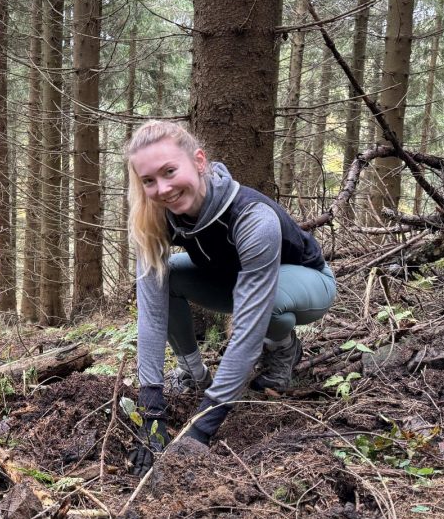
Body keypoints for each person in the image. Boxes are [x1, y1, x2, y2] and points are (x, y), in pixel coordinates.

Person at [125, 120, 336, 475]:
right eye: (149, 180)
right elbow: (151, 313)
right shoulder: (155, 217)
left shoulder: (252, 217)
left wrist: (202, 426)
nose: (163, 189)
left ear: (199, 161)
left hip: (308, 283)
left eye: (170, 171)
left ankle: (283, 348)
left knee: (267, 306)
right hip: (237, 285)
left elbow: (247, 331)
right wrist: (151, 409)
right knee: (168, 275)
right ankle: (194, 374)